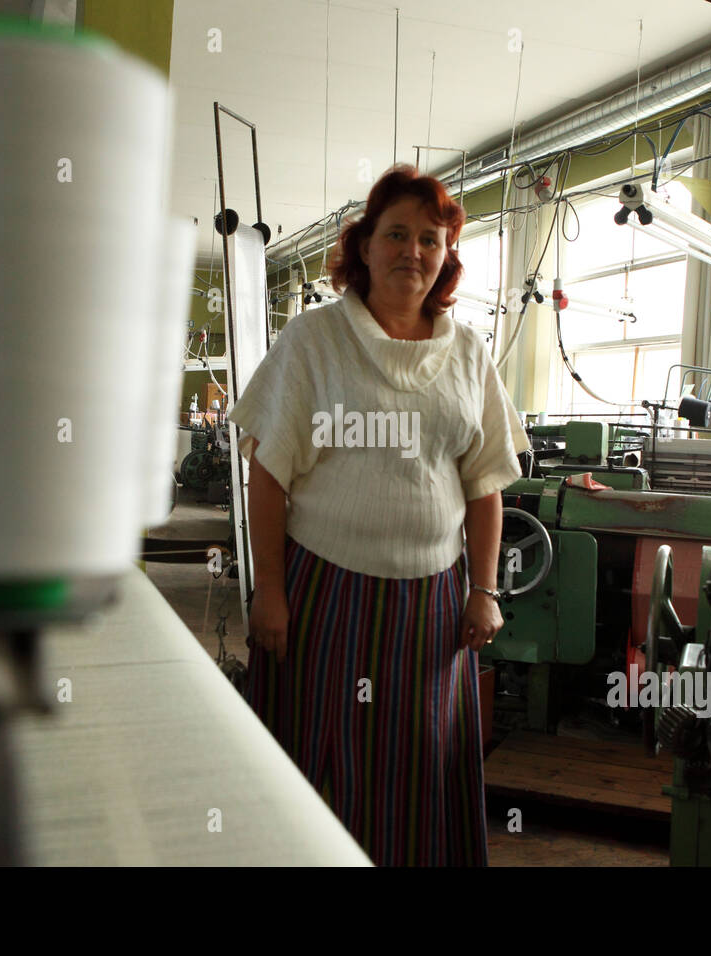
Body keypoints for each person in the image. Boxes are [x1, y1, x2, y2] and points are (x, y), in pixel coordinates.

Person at [228, 164, 529, 866]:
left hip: (430, 608)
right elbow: (267, 476)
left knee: (417, 769)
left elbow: (485, 484)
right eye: (396, 234)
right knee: (312, 762)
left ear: (445, 256)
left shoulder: (469, 354)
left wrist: (484, 590)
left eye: (431, 239)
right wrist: (269, 592)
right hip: (322, 596)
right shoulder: (313, 341)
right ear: (362, 247)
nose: (413, 252)